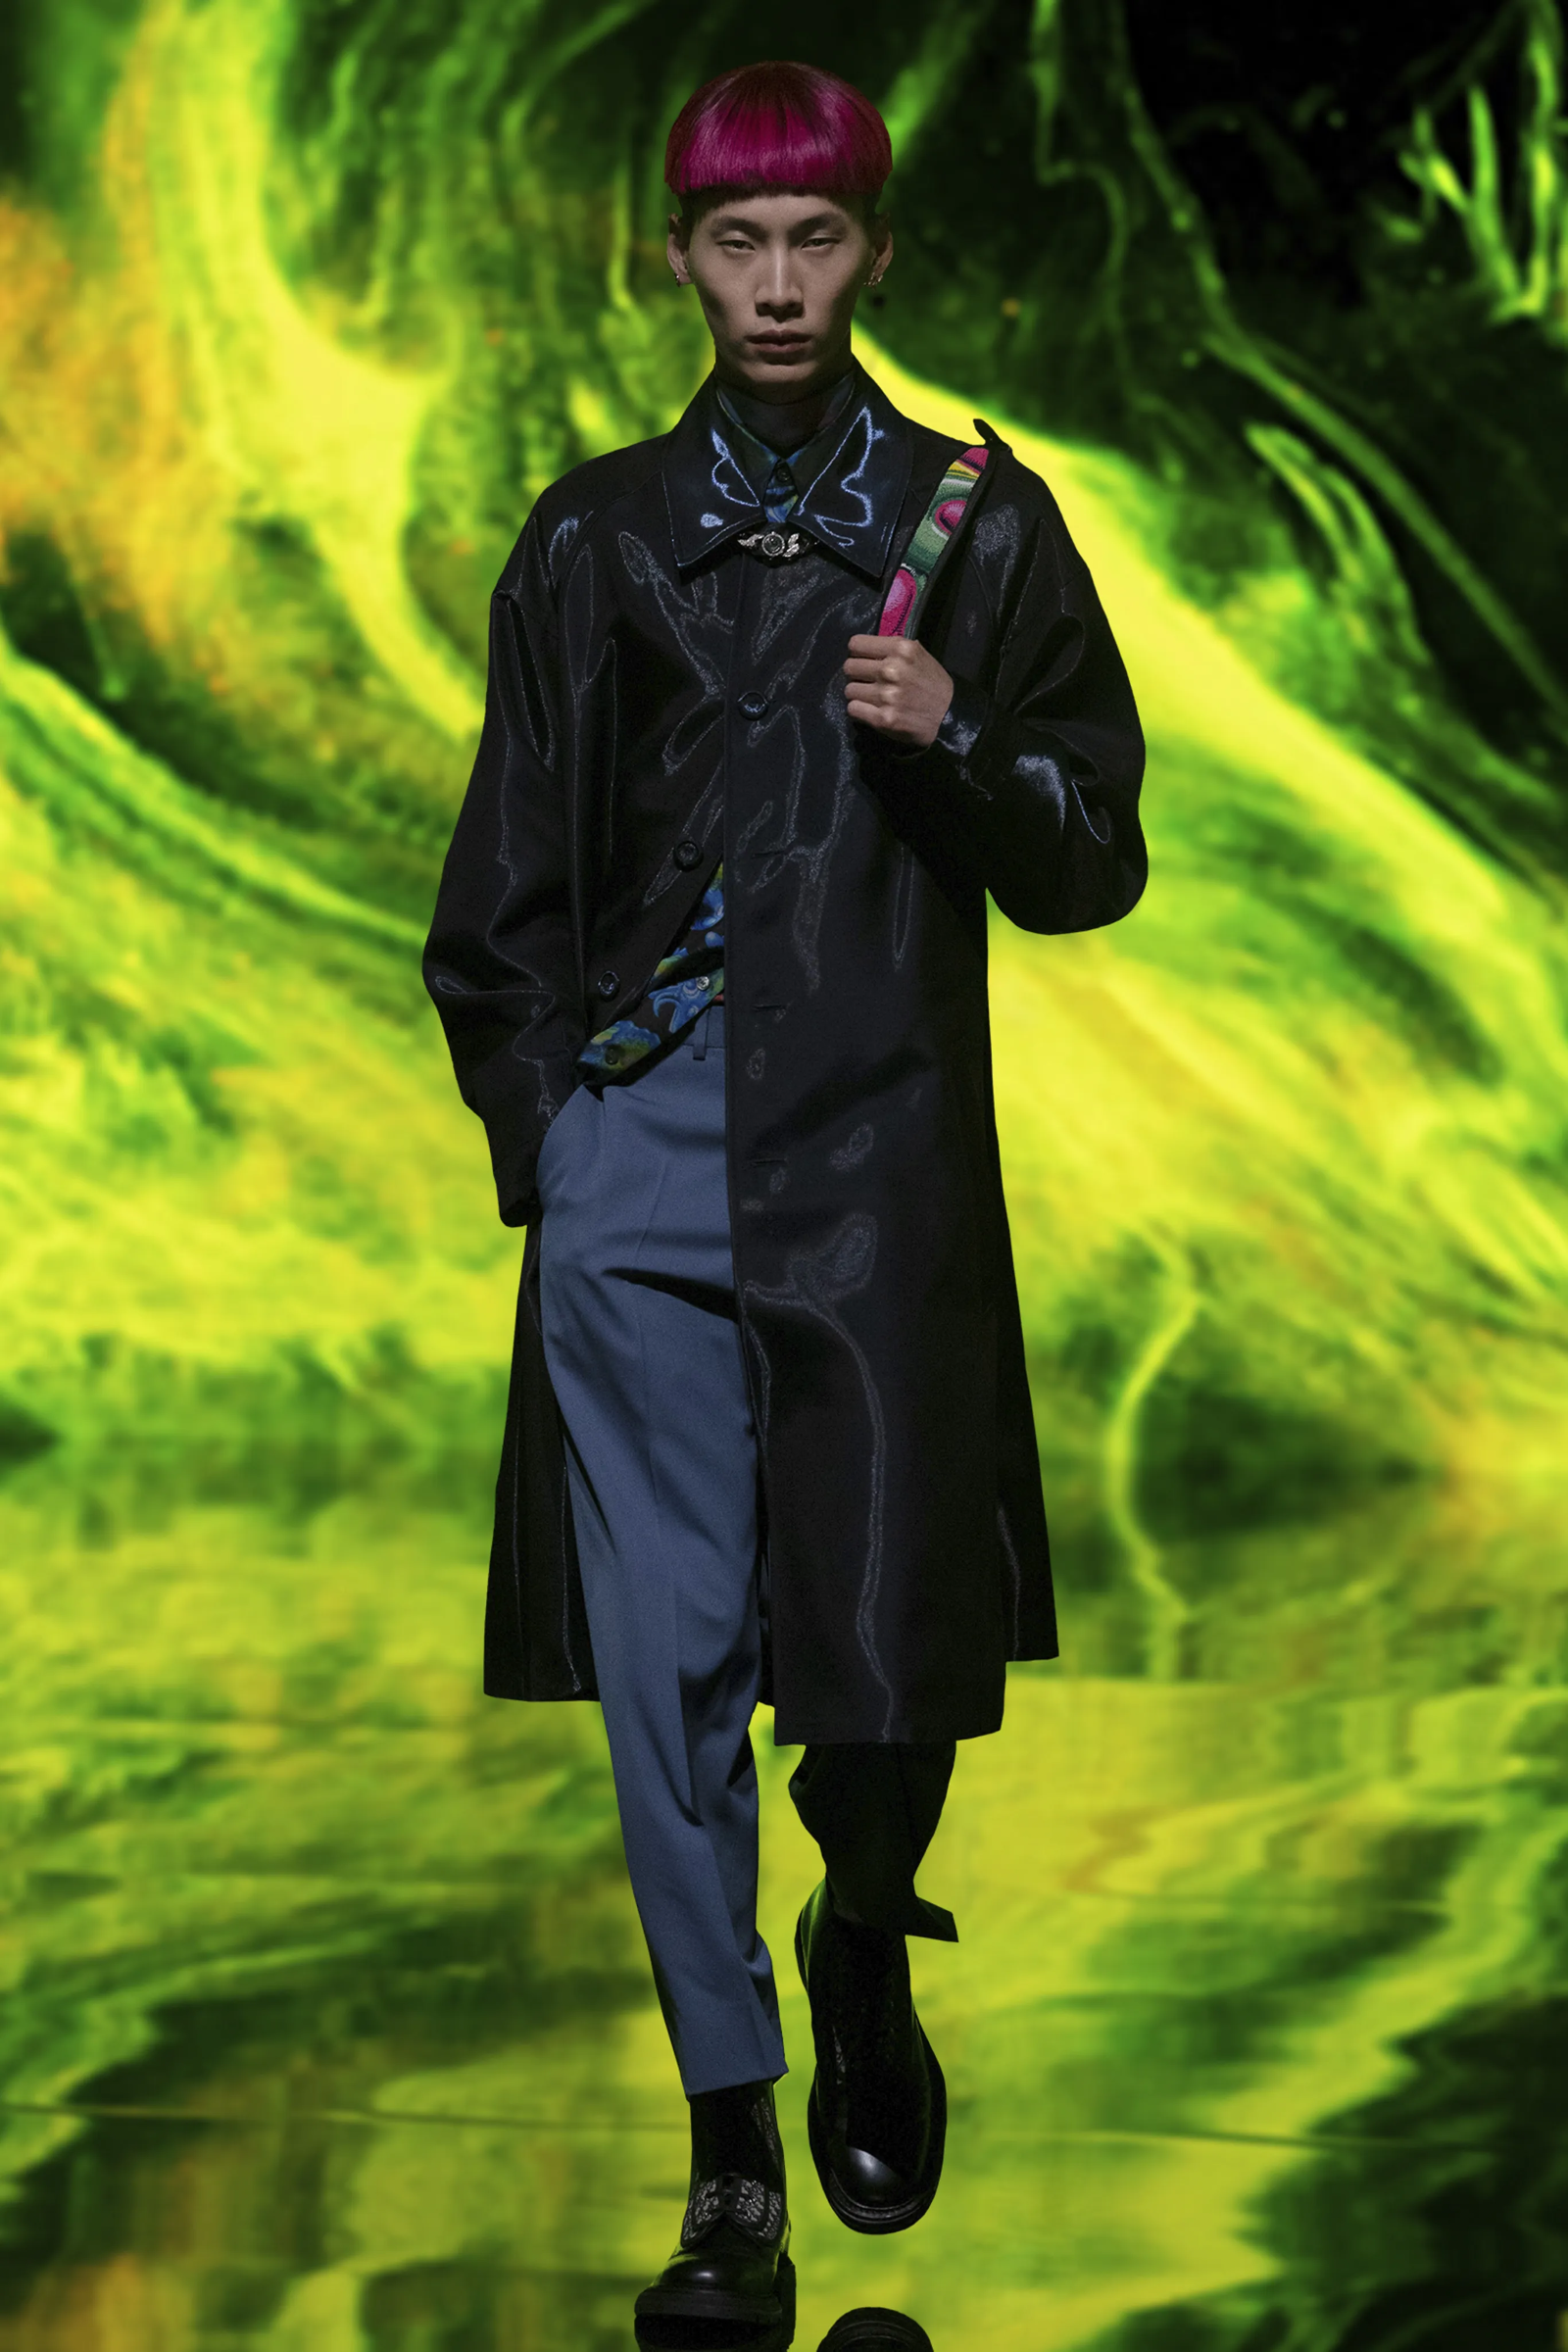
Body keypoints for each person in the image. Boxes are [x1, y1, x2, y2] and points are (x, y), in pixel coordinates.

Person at [423, 58, 1146, 2346]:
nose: (770, 282)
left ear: (872, 253)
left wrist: (956, 734)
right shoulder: (592, 539)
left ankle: (859, 1926)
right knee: (669, 1677)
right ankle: (729, 2142)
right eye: (731, 241)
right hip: (636, 1160)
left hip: (874, 1164)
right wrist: (553, 1140)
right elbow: (498, 895)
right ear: (671, 259)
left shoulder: (974, 528)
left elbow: (1093, 856)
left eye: (810, 237)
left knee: (885, 1645)